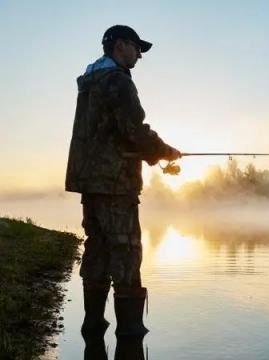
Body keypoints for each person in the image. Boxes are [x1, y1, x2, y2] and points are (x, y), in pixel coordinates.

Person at [65, 25, 180, 338]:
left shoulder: (89, 82)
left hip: (90, 180)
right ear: (119, 45)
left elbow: (109, 132)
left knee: (97, 248)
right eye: (136, 47)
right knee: (127, 250)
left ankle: (93, 324)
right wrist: (166, 151)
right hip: (115, 182)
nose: (140, 55)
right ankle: (130, 333)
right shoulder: (117, 80)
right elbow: (133, 130)